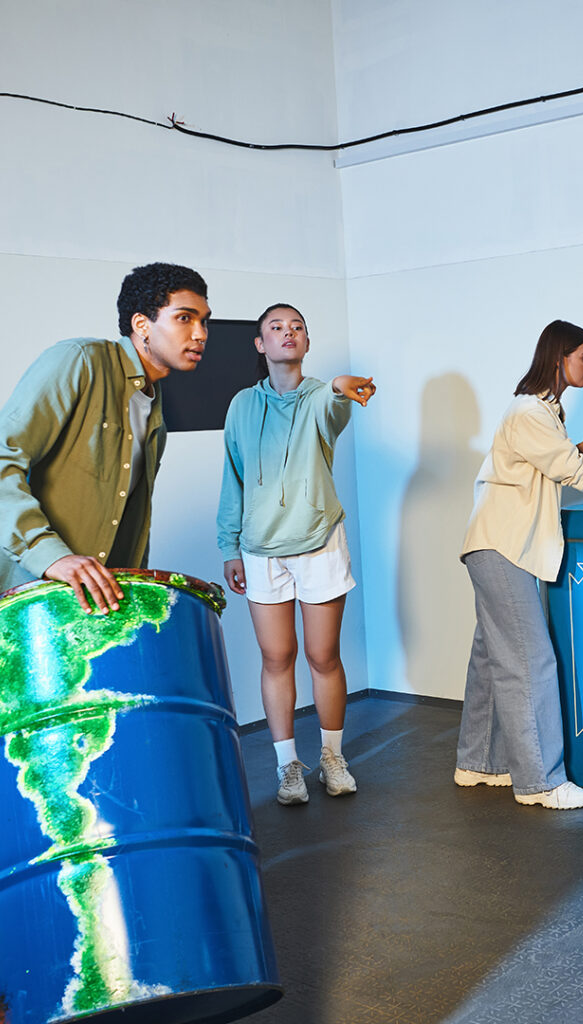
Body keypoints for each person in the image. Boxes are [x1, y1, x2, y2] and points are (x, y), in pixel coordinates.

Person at [0, 262, 211, 853]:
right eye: (184, 318)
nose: (200, 333)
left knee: (2, 758)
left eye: (203, 321)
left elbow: (127, 525)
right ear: (141, 323)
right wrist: (52, 556)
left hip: (38, 608)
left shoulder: (153, 412)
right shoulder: (81, 362)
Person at [456, 319, 583, 810]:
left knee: (492, 659)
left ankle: (479, 764)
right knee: (529, 661)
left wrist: (582, 447)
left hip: (500, 545)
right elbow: (571, 473)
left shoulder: (544, 411)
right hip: (503, 548)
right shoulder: (531, 410)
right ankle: (541, 783)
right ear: (559, 358)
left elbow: (545, 465)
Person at [217, 304, 374, 807]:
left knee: (323, 657)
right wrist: (229, 546)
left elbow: (334, 410)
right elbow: (233, 477)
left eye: (298, 327)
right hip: (260, 549)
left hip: (318, 541)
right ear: (260, 344)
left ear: (306, 342)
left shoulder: (323, 397)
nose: (289, 333)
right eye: (276, 328)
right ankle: (288, 766)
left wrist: (339, 387)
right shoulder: (242, 404)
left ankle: (331, 756)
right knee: (276, 657)